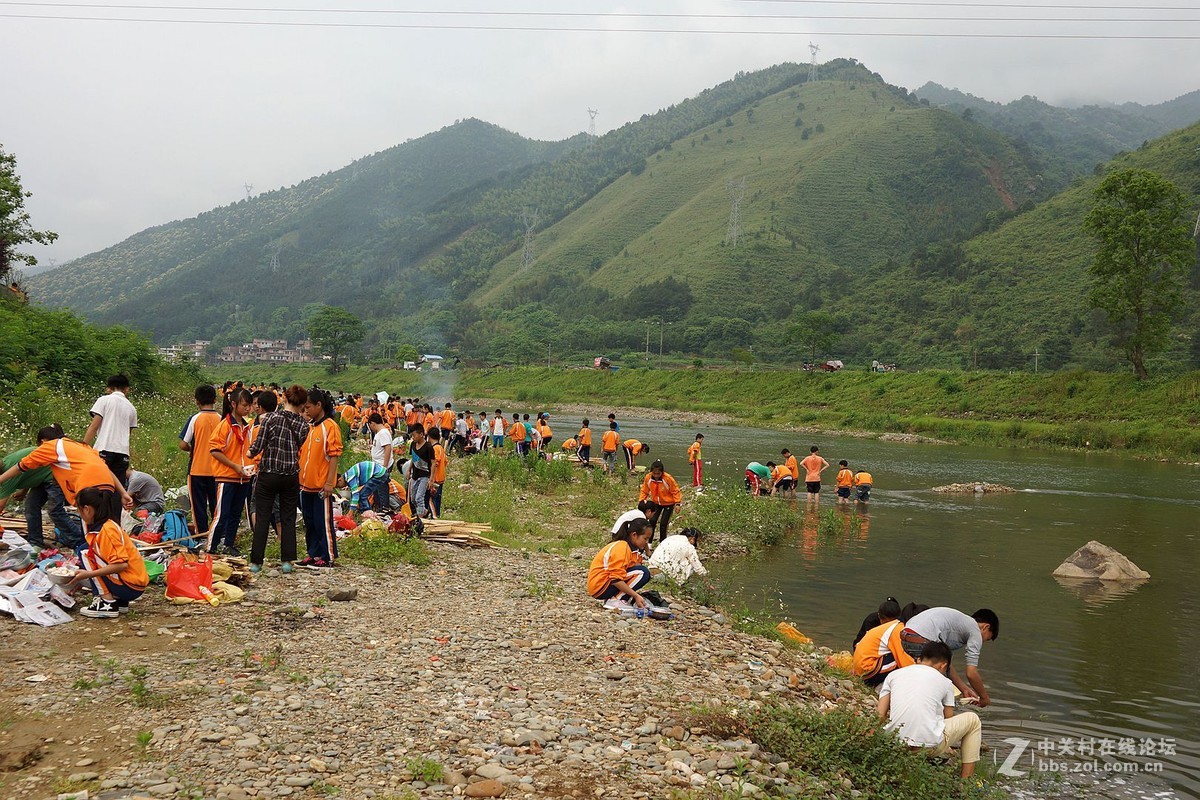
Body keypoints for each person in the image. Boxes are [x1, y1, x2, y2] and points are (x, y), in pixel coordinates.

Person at [877, 642, 983, 779]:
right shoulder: (946, 683)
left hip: (895, 744)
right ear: (944, 665)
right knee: (973, 720)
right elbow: (948, 719)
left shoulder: (894, 675)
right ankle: (966, 782)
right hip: (926, 747)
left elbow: (879, 715)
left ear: (920, 659)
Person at [0, 424, 133, 529]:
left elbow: (21, 466)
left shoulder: (50, 447)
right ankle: (110, 553)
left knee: (90, 527)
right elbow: (106, 469)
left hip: (87, 486)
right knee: (104, 523)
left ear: (44, 441)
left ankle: (95, 555)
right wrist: (123, 493)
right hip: (107, 485)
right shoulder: (80, 445)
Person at [246, 385, 310, 575]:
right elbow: (297, 445)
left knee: (263, 516)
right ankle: (287, 562)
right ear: (302, 404)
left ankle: (257, 562)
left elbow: (259, 445)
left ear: (285, 399)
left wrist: (250, 453)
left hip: (268, 474)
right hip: (290, 476)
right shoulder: (304, 425)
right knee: (287, 517)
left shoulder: (270, 418)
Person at [70, 486, 149, 619]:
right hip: (134, 583)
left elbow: (121, 564)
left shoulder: (107, 531)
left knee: (85, 552)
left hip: (130, 585)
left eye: (79, 510)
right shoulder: (109, 525)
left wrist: (88, 574)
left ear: (87, 509)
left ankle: (106, 601)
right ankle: (119, 601)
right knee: (87, 549)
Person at [901, 607, 999, 707]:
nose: (982, 642)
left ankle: (910, 705)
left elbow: (946, 664)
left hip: (906, 634)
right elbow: (971, 673)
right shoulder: (975, 630)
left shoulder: (959, 624)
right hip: (921, 637)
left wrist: (964, 689)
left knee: (928, 677)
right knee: (940, 686)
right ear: (985, 627)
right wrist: (984, 698)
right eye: (987, 639)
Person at [0, 445, 83, 549]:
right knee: (31, 506)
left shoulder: (7, 474)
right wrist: (24, 491)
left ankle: (79, 541)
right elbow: (28, 471)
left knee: (55, 510)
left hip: (55, 475)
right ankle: (36, 542)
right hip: (42, 478)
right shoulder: (6, 463)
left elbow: (0, 507)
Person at [206, 387, 255, 556]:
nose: (248, 409)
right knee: (221, 514)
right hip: (226, 476)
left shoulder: (247, 427)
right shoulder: (224, 426)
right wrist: (234, 466)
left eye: (249, 405)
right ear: (233, 404)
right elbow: (214, 450)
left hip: (243, 477)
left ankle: (229, 544)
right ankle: (210, 547)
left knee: (235, 514)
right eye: (244, 405)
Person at [299, 388, 343, 568]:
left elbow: (334, 456)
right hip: (305, 485)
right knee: (309, 522)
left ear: (319, 405)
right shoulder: (310, 427)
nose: (306, 411)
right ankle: (313, 553)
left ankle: (328, 555)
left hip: (321, 486)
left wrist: (329, 483)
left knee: (322, 522)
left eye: (308, 407)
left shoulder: (330, 426)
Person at [180, 384, 222, 537]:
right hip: (217, 470)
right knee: (216, 505)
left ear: (197, 401)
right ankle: (217, 534)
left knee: (198, 505)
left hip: (197, 469)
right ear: (215, 400)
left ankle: (201, 534)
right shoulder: (221, 419)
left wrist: (193, 450)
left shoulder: (195, 419)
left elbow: (183, 443)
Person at [83, 374, 138, 488]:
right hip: (123, 453)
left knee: (99, 486)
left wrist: (83, 447)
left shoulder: (103, 400)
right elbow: (128, 434)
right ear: (127, 389)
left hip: (104, 449)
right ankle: (115, 506)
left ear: (108, 388)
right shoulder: (131, 408)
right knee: (117, 488)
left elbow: (94, 426)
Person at [587, 518, 653, 608]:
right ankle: (617, 599)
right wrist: (635, 595)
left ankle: (616, 598)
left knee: (640, 570)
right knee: (643, 573)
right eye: (645, 538)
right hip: (600, 585)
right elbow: (616, 579)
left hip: (600, 585)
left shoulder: (630, 548)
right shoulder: (622, 547)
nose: (646, 542)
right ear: (634, 535)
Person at [852, 598, 914, 686]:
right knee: (899, 657)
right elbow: (904, 660)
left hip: (860, 667)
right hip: (867, 672)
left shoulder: (887, 627)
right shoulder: (896, 628)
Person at [638, 460, 682, 541]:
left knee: (663, 524)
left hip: (668, 504)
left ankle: (662, 542)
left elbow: (675, 491)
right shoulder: (648, 478)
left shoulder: (668, 478)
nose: (656, 475)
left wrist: (677, 503)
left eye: (658, 473)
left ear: (662, 472)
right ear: (651, 472)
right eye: (654, 473)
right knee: (652, 521)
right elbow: (644, 490)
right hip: (656, 503)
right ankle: (649, 542)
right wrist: (641, 501)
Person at [407, 424, 435, 518]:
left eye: (414, 435)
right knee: (413, 499)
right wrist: (408, 469)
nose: (413, 437)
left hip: (425, 476)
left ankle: (421, 520)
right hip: (415, 475)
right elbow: (413, 458)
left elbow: (433, 463)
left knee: (419, 498)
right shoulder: (413, 444)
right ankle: (425, 512)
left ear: (421, 434)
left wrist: (431, 479)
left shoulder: (428, 447)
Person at [428, 427, 449, 517]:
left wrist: (431, 479)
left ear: (429, 437)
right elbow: (445, 461)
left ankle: (434, 517)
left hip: (435, 479)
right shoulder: (441, 448)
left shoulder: (435, 448)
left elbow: (435, 463)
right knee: (437, 500)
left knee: (433, 500)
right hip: (441, 477)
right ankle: (438, 516)